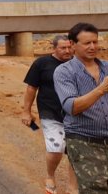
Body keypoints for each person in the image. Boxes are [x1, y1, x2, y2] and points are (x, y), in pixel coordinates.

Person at [54, 23, 108, 193]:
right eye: (87, 43)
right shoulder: (64, 72)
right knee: (95, 189)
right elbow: (71, 106)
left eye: (95, 42)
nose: (93, 47)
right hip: (84, 140)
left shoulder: (106, 67)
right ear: (72, 44)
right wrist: (101, 89)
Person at [21, 35, 78, 194]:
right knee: (56, 147)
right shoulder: (42, 63)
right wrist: (26, 111)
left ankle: (72, 188)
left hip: (75, 114)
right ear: (54, 48)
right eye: (63, 48)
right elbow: (31, 88)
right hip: (50, 112)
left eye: (69, 47)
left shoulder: (77, 64)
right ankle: (50, 176)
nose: (67, 51)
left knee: (74, 150)